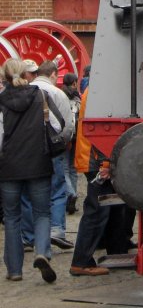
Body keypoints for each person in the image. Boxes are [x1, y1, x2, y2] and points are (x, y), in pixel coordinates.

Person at [0, 57, 65, 283]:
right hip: (38, 162)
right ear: (27, 74)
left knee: (11, 217)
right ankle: (42, 252)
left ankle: (15, 270)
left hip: (9, 166)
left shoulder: (1, 100)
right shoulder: (40, 95)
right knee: (42, 213)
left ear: (5, 76)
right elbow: (58, 124)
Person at [70, 86, 134, 276]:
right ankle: (81, 261)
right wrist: (105, 162)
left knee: (113, 209)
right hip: (97, 162)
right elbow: (101, 128)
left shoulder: (95, 88)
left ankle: (116, 254)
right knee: (97, 212)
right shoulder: (100, 90)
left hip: (95, 160)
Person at [23, 60, 75, 249]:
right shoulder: (58, 93)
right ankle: (57, 230)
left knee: (28, 194)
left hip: (28, 150)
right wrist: (63, 142)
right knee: (57, 191)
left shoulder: (26, 91)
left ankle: (28, 236)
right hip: (52, 149)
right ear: (53, 74)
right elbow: (67, 125)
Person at [61, 73, 82, 213]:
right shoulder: (78, 98)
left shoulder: (61, 96)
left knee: (64, 169)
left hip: (66, 136)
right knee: (73, 169)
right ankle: (72, 198)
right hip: (77, 136)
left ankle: (70, 194)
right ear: (74, 83)